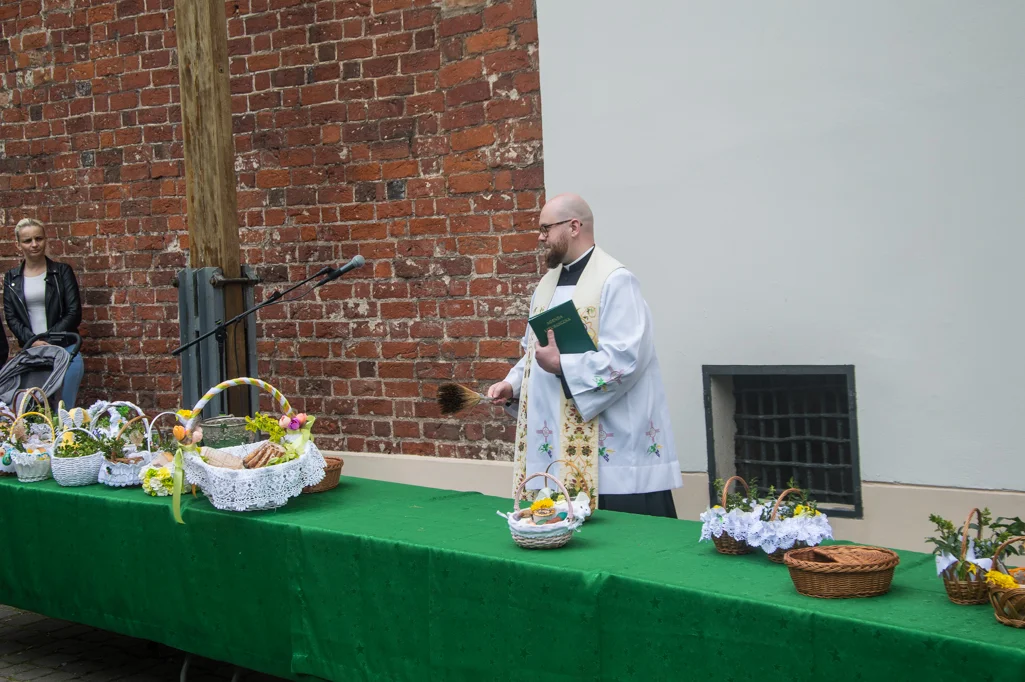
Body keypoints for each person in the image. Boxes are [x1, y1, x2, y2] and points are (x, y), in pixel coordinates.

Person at [488, 194, 683, 518]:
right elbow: (537, 350)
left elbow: (626, 358)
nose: (540, 237)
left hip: (614, 450)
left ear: (574, 226)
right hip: (559, 448)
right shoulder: (546, 285)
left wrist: (562, 365)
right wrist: (513, 384)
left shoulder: (615, 280)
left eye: (546, 228)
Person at [3, 218, 84, 407]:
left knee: (64, 410)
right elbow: (12, 318)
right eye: (27, 240)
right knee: (35, 412)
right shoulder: (11, 278)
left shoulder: (62, 272)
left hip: (65, 350)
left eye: (38, 238)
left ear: (45, 240)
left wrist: (47, 339)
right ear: (18, 245)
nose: (34, 244)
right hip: (33, 354)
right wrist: (33, 341)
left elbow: (74, 312)